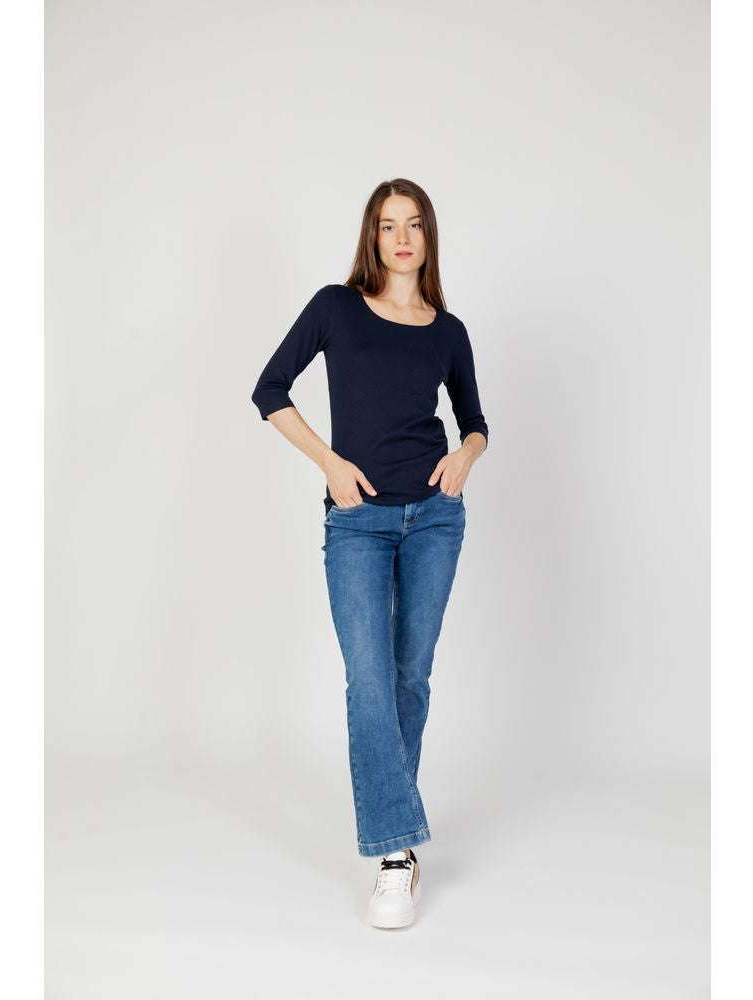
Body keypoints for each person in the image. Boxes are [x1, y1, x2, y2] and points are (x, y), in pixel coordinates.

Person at [250, 178, 489, 928]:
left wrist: (466, 456)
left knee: (410, 674)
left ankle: (395, 845)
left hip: (435, 519)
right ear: (372, 236)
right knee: (369, 680)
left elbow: (475, 420)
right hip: (357, 522)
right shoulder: (336, 307)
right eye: (389, 226)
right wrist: (328, 462)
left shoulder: (447, 330)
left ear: (429, 236)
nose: (402, 238)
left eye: (414, 224)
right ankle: (396, 850)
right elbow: (269, 390)